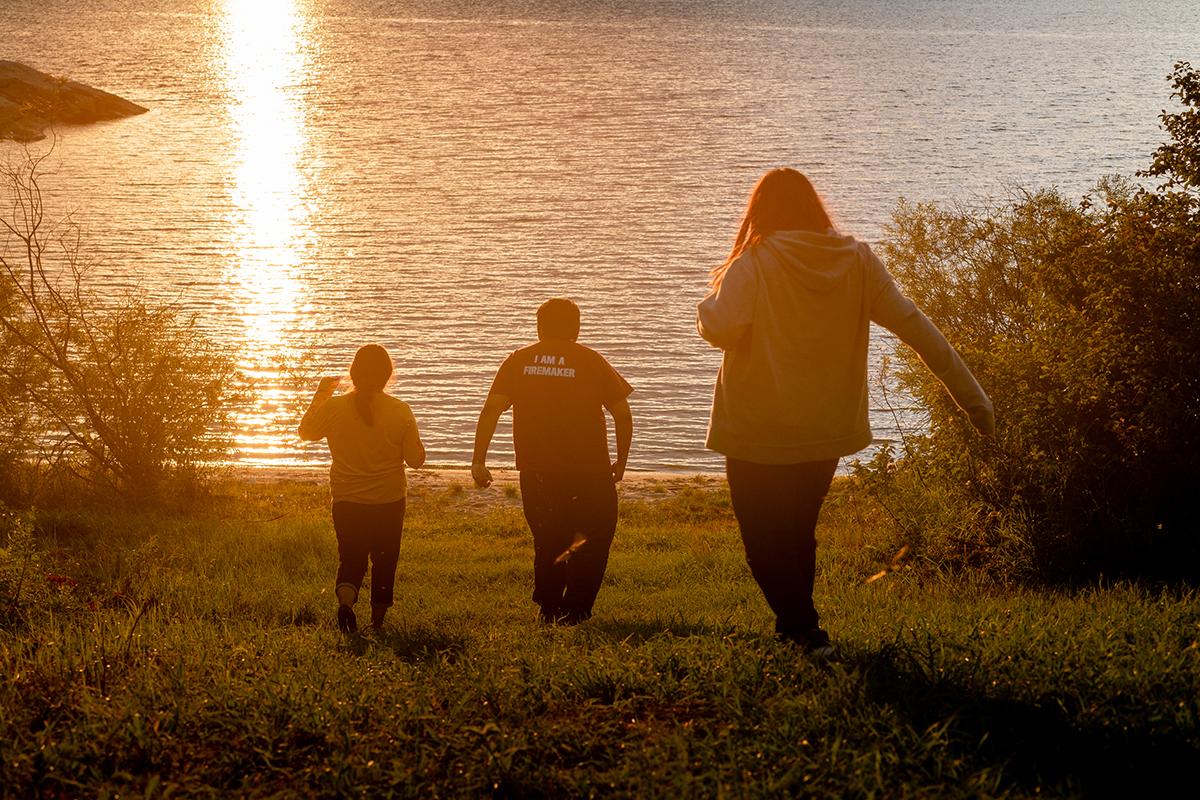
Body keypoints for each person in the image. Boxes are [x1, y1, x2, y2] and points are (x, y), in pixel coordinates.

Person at [697, 168, 994, 654]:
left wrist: (709, 303)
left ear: (759, 212)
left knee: (763, 544)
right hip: (824, 429)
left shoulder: (754, 262)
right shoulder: (857, 260)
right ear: (816, 207)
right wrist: (973, 399)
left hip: (756, 428)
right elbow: (915, 327)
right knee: (797, 534)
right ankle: (797, 629)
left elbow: (720, 329)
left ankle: (804, 630)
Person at [472, 298, 634, 625]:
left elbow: (491, 410)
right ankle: (576, 609)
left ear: (539, 327)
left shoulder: (518, 360)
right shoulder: (590, 360)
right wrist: (621, 460)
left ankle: (548, 607)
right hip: (590, 470)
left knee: (548, 538)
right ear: (576, 328)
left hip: (537, 471)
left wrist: (479, 460)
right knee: (594, 536)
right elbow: (622, 413)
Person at [298, 344, 426, 634]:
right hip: (389, 500)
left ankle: (346, 604)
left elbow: (306, 432)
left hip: (346, 499)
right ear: (388, 375)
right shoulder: (400, 410)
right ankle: (377, 625)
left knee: (351, 557)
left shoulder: (333, 407)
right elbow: (415, 461)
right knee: (385, 559)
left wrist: (322, 393)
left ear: (353, 373)